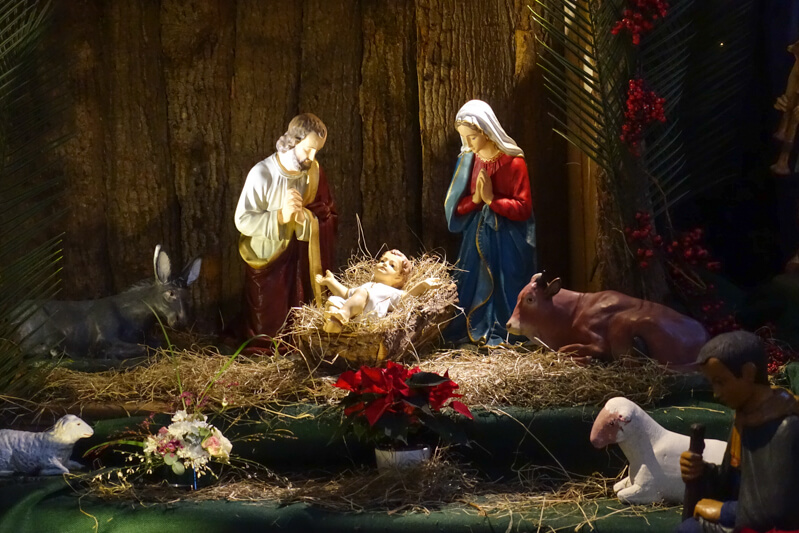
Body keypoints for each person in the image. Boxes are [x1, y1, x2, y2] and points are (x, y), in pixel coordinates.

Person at [677, 330, 799, 533]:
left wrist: (723, 511)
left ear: (748, 373)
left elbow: (778, 510)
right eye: (712, 384)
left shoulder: (785, 428)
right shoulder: (744, 419)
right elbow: (732, 483)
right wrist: (702, 472)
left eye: (721, 382)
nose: (716, 393)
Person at [234, 113, 337, 349]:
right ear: (293, 141)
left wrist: (306, 219)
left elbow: (327, 212)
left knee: (297, 307)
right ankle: (268, 349)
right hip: (268, 257)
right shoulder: (262, 174)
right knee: (267, 322)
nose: (312, 157)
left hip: (299, 255)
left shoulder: (313, 172)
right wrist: (280, 216)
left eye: (317, 151)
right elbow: (243, 221)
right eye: (308, 149)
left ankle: (297, 345)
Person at [444, 99, 537, 346]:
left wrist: (492, 201)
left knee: (506, 283)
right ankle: (470, 327)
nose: (467, 144)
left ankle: (506, 329)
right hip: (476, 236)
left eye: (472, 137)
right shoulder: (469, 161)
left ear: (486, 131)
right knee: (470, 280)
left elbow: (524, 208)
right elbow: (459, 207)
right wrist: (476, 199)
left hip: (507, 239)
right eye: (464, 138)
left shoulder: (514, 162)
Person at [315, 249, 441, 333]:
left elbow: (406, 298)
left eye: (392, 265)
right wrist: (331, 282)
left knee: (362, 293)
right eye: (382, 261)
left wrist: (422, 285)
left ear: (398, 277)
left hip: (368, 317)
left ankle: (342, 315)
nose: (384, 264)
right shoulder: (367, 285)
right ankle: (333, 323)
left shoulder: (390, 291)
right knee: (334, 300)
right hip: (353, 313)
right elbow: (346, 294)